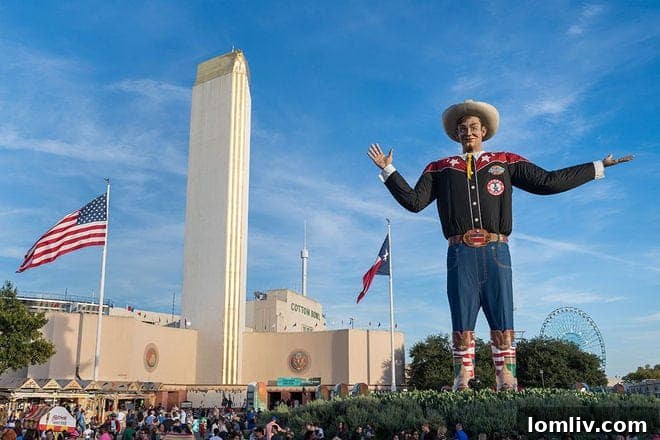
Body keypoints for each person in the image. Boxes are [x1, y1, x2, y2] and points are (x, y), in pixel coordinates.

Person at [368, 99, 633, 391]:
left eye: (473, 127)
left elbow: (547, 181)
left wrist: (596, 167)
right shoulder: (441, 168)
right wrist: (388, 170)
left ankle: (506, 374)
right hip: (459, 251)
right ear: (456, 135)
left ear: (484, 131)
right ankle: (463, 375)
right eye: (462, 128)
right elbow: (414, 202)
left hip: (497, 250)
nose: (467, 132)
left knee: (502, 311)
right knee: (461, 314)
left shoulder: (505, 161)